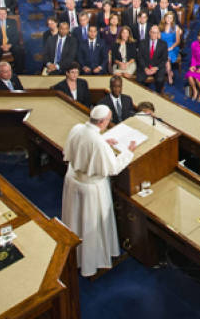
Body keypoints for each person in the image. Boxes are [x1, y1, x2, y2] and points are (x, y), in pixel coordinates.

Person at [61, 105, 137, 277]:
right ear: (103, 122)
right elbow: (113, 168)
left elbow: (76, 147)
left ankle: (77, 256)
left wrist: (103, 142)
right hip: (91, 189)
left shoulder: (77, 128)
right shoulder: (97, 142)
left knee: (77, 220)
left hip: (73, 181)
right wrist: (129, 152)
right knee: (91, 225)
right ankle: (92, 262)